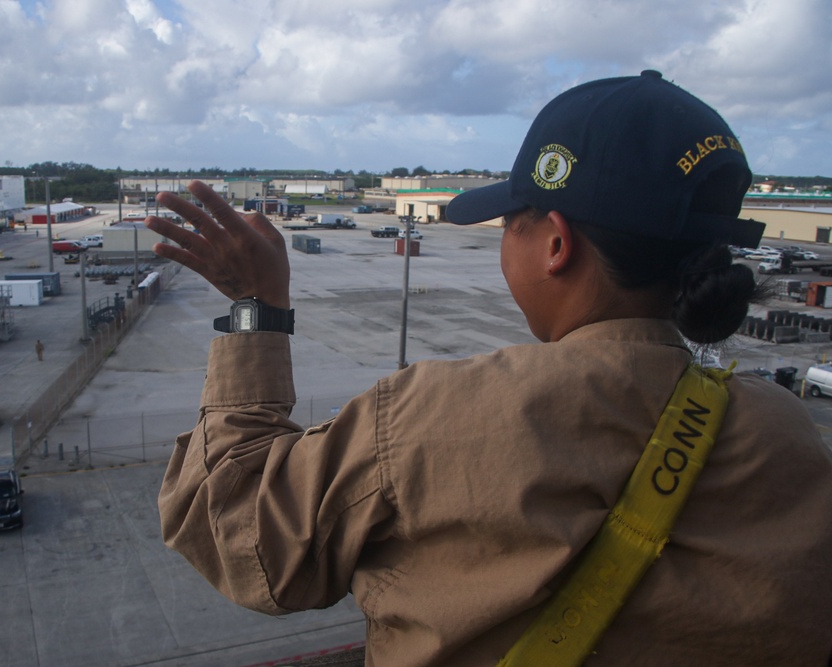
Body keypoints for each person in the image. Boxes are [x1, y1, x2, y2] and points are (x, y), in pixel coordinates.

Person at [146, 71, 832, 665]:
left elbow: (230, 520)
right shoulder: (790, 437)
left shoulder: (432, 420)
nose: (505, 236)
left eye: (512, 220)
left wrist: (256, 310)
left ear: (556, 243)